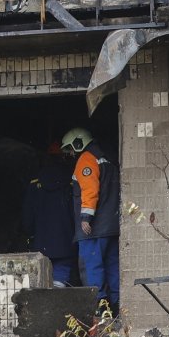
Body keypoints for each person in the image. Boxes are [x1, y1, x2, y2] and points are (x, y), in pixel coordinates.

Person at [61, 127, 120, 314]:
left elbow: (90, 190)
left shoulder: (86, 159)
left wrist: (86, 218)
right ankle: (117, 306)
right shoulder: (107, 158)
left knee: (91, 267)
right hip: (111, 226)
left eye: (70, 148)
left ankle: (99, 308)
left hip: (94, 230)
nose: (70, 153)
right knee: (112, 267)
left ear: (78, 143)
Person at [22, 142, 77, 288]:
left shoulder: (35, 182)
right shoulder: (72, 181)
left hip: (41, 240)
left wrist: (29, 233)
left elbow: (28, 213)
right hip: (65, 239)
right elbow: (75, 211)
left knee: (41, 282)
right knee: (60, 280)